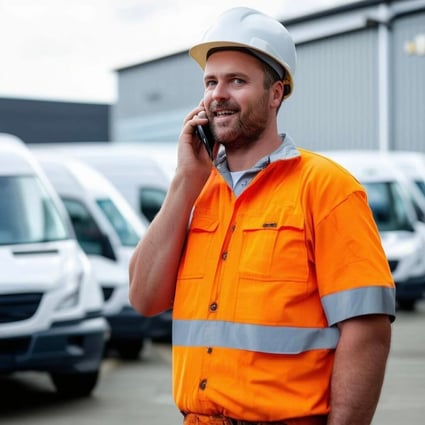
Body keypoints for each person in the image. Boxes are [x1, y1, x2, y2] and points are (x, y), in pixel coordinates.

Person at [129, 7, 396, 425]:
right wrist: (185, 180)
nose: (219, 94)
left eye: (237, 81)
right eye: (211, 82)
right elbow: (144, 299)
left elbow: (368, 332)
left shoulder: (327, 188)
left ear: (276, 94)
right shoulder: (197, 191)